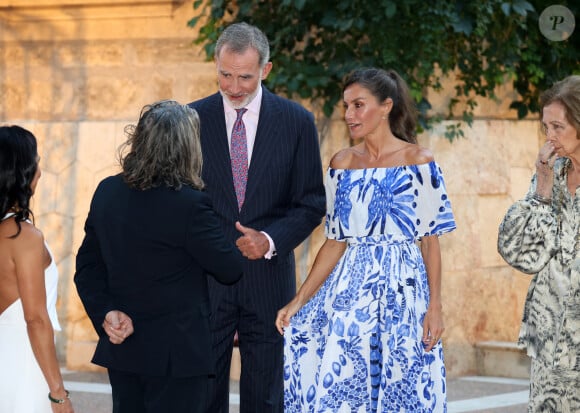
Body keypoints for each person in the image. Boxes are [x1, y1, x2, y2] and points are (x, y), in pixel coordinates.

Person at [276, 68, 457, 412]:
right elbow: (334, 241)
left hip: (404, 293)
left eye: (359, 105)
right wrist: (299, 300)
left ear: (386, 106)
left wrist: (435, 306)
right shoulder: (342, 163)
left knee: (405, 386)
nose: (349, 114)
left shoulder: (419, 161)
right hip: (350, 293)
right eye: (346, 106)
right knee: (343, 386)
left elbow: (430, 242)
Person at [188, 22, 326, 413]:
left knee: (266, 396)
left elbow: (312, 202)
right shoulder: (190, 119)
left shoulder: (297, 121)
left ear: (266, 70)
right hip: (204, 280)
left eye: (244, 77)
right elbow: (178, 199)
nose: (233, 86)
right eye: (225, 74)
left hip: (269, 283)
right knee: (200, 394)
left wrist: (269, 240)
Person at [74, 100, 244, 413]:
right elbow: (230, 269)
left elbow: (87, 268)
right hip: (176, 356)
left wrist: (106, 311)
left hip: (125, 347)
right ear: (187, 147)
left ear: (139, 141)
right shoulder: (190, 205)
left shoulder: (107, 192)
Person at [497, 75, 580, 412]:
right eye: (546, 126)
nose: (550, 136)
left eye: (558, 126)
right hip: (550, 336)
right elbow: (521, 254)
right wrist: (542, 190)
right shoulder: (552, 174)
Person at [0, 125, 74, 413]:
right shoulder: (23, 236)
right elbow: (36, 319)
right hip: (25, 365)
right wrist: (58, 394)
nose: (40, 170)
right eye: (36, 161)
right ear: (22, 171)